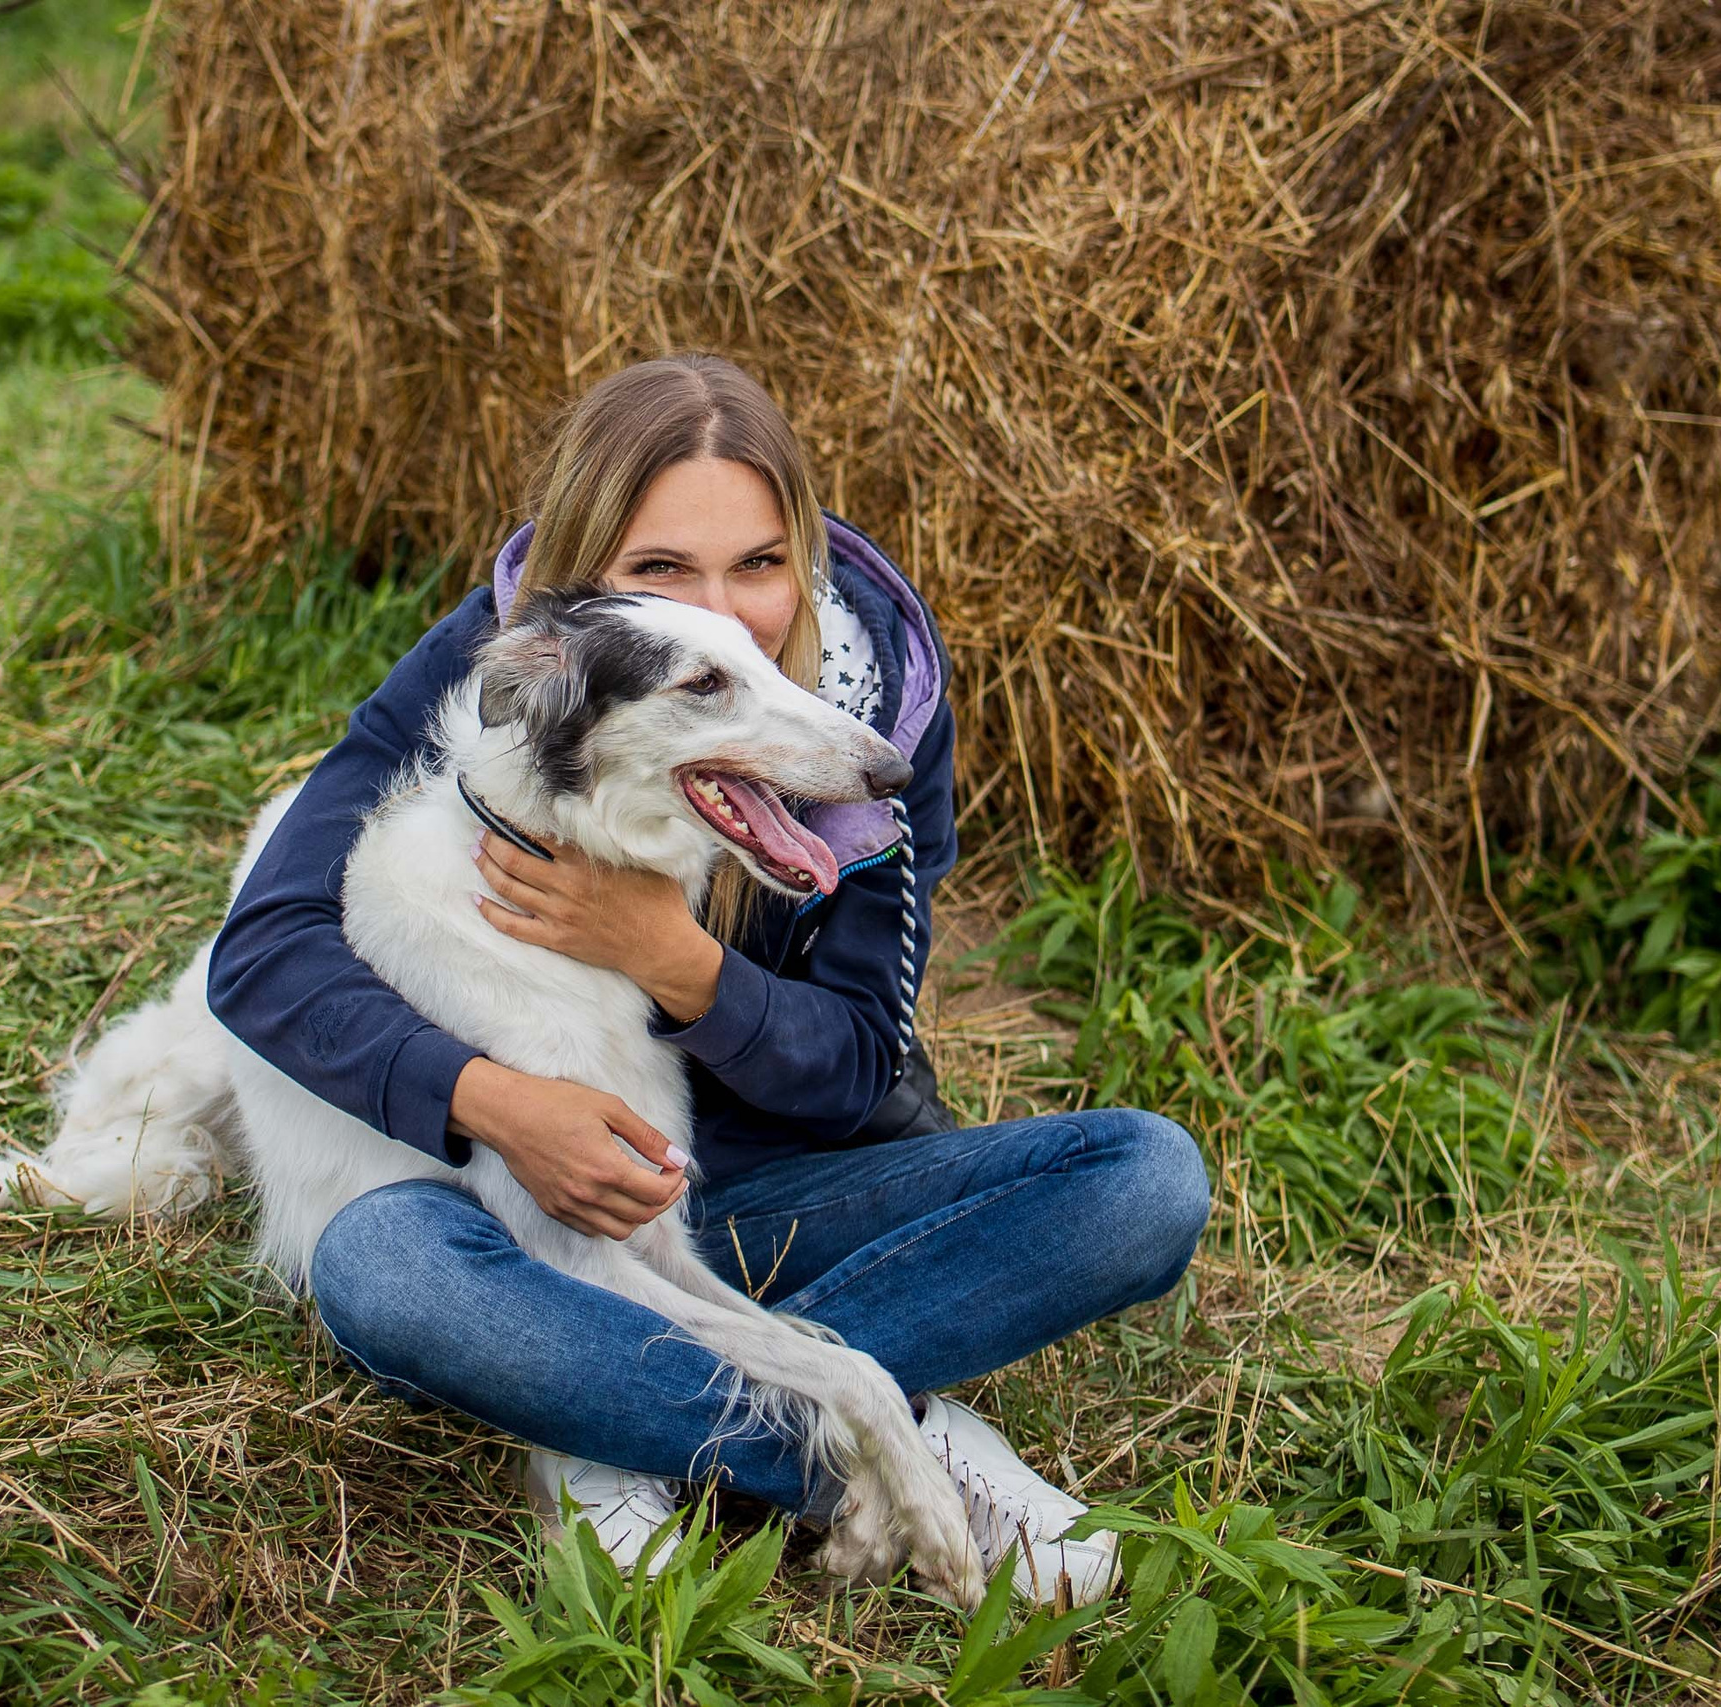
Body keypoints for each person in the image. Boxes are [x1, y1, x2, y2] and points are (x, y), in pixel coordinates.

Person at [206, 352, 1210, 1600]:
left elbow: (854, 1070)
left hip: (771, 1188)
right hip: (517, 1205)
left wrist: (672, 959)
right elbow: (264, 954)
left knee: (1144, 1180)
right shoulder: (507, 670)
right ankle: (890, 1434)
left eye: (759, 563)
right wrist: (498, 1106)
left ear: (806, 554)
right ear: (592, 578)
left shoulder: (877, 707)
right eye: (662, 569)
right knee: (385, 1266)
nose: (726, 612)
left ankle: (617, 1415)